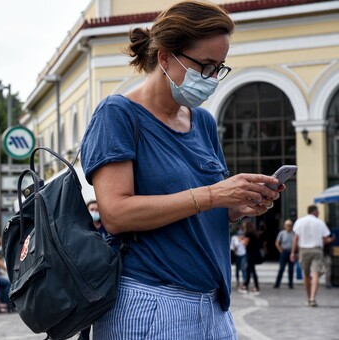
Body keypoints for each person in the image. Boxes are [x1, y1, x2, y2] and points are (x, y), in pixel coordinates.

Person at [80, 1, 282, 338]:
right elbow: (115, 213)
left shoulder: (202, 122)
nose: (212, 78)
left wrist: (236, 206)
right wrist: (213, 194)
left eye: (219, 68)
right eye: (205, 66)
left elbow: (202, 207)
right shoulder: (118, 114)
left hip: (214, 306)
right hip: (150, 304)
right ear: (165, 58)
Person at [290, 205, 333, 307]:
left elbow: (296, 238)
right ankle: (313, 298)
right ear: (315, 211)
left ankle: (308, 298)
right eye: (318, 211)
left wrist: (293, 252)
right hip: (316, 250)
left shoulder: (300, 221)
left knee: (306, 275)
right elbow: (326, 238)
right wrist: (328, 241)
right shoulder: (320, 222)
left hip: (303, 250)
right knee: (315, 274)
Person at [273, 219, 295, 288]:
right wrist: (281, 250)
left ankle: (290, 284)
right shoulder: (282, 233)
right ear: (285, 226)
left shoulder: (294, 233)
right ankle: (277, 284)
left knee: (291, 269)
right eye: (287, 225)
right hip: (284, 252)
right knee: (281, 269)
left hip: (291, 252)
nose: (288, 226)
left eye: (290, 225)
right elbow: (277, 242)